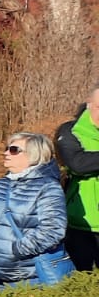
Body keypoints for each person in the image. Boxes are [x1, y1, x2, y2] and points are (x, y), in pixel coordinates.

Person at [0, 132, 68, 286]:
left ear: (33, 155)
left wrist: (15, 250)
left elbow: (53, 230)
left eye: (13, 150)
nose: (6, 153)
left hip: (25, 279)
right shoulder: (0, 184)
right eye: (7, 148)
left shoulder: (48, 187)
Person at [55, 84, 99, 270]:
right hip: (82, 223)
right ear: (89, 104)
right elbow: (78, 164)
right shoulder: (70, 131)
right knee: (83, 280)